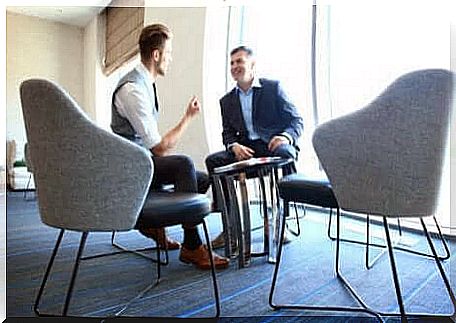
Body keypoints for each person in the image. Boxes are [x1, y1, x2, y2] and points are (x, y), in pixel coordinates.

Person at [111, 23, 229, 270]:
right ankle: (192, 246)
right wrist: (188, 117)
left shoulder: (146, 84)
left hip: (142, 160)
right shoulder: (132, 90)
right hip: (133, 166)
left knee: (201, 180)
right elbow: (160, 148)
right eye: (169, 53)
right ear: (156, 55)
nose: (171, 59)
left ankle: (153, 226)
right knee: (183, 165)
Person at [205, 45, 304, 248]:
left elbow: (296, 120)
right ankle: (229, 228)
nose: (234, 66)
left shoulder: (272, 88)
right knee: (213, 161)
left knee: (286, 154)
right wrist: (233, 146)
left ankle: (278, 221)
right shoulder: (226, 101)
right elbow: (227, 132)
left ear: (252, 64)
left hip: (272, 144)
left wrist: (285, 136)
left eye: (239, 61)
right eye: (231, 63)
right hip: (245, 150)